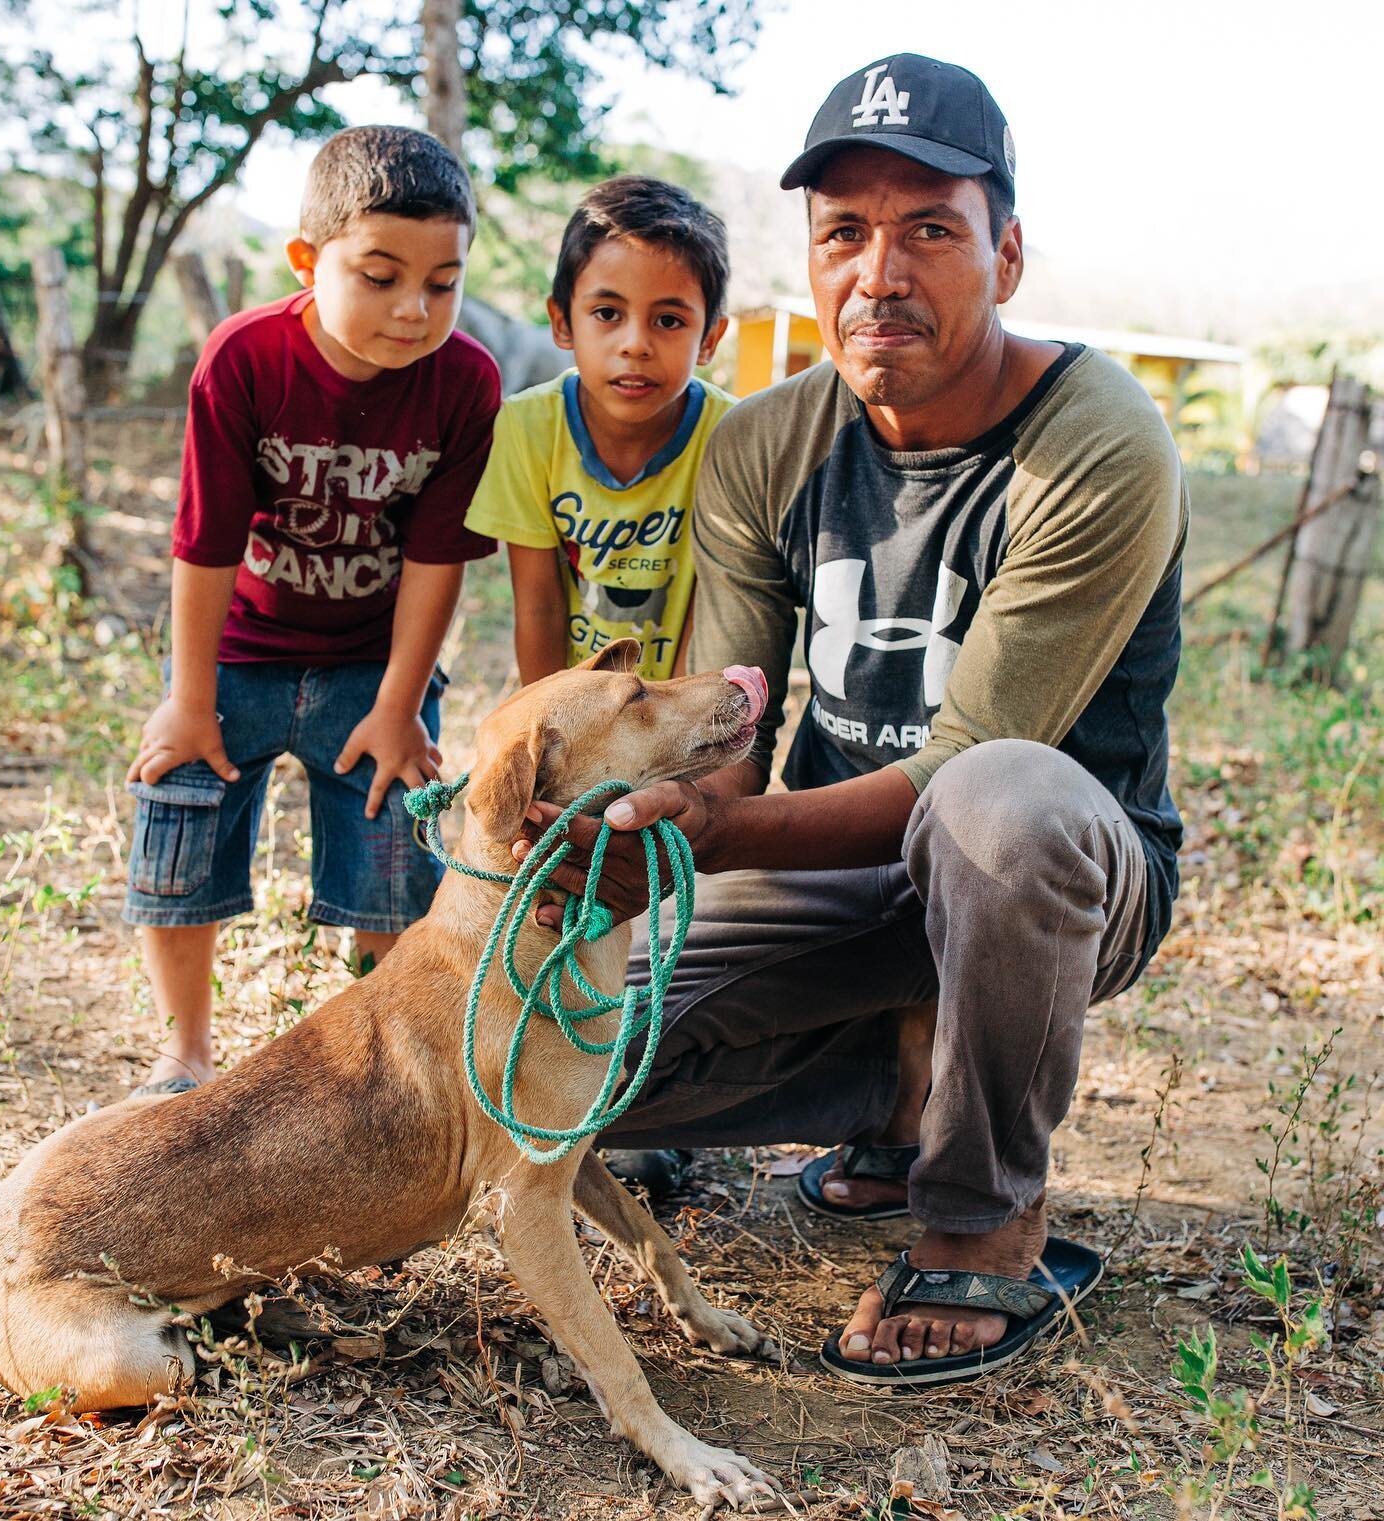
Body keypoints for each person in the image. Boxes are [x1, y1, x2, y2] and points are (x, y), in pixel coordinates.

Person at [517, 54, 1189, 1387]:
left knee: (999, 798)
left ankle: (982, 1213)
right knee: (558, 1067)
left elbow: (958, 768)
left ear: (1005, 255)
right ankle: (904, 1085)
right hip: (827, 870)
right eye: (845, 233)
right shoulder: (768, 445)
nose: (881, 272)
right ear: (812, 262)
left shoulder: (1097, 438)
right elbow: (722, 744)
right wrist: (649, 825)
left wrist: (715, 836)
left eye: (930, 229)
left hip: (1051, 875)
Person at [123, 126, 499, 1096]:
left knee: (391, 848)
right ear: (307, 258)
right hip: (240, 652)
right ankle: (185, 1055)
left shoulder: (467, 381)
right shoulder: (245, 358)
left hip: (373, 663)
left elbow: (435, 557)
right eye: (379, 276)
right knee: (182, 820)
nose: (415, 310)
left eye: (442, 283)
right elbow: (204, 541)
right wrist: (190, 697)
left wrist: (400, 701)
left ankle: (378, 1065)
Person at [464, 176, 732, 687]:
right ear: (562, 322)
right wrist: (552, 732)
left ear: (710, 339)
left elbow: (711, 611)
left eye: (669, 321)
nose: (635, 344)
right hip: (572, 703)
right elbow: (539, 606)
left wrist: (666, 738)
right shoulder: (528, 428)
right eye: (607, 314)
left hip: (680, 705)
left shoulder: (729, 435)